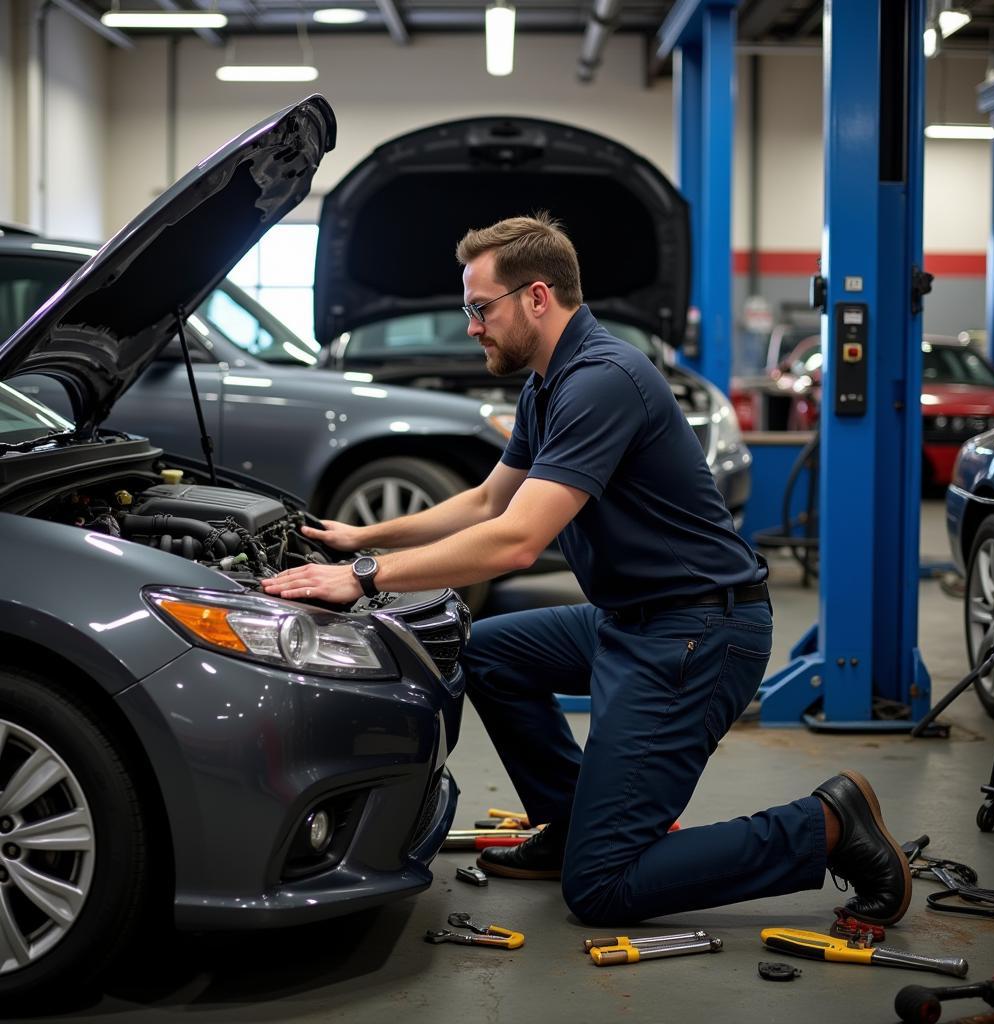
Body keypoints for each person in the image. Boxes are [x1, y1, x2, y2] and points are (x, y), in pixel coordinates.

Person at [262, 213, 911, 927]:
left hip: (696, 634)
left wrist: (367, 578)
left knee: (602, 888)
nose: (472, 327)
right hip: (632, 620)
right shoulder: (549, 381)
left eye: (482, 309)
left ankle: (824, 826)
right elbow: (486, 500)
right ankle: (574, 826)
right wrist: (362, 538)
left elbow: (514, 541)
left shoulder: (602, 380)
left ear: (537, 297)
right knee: (491, 654)